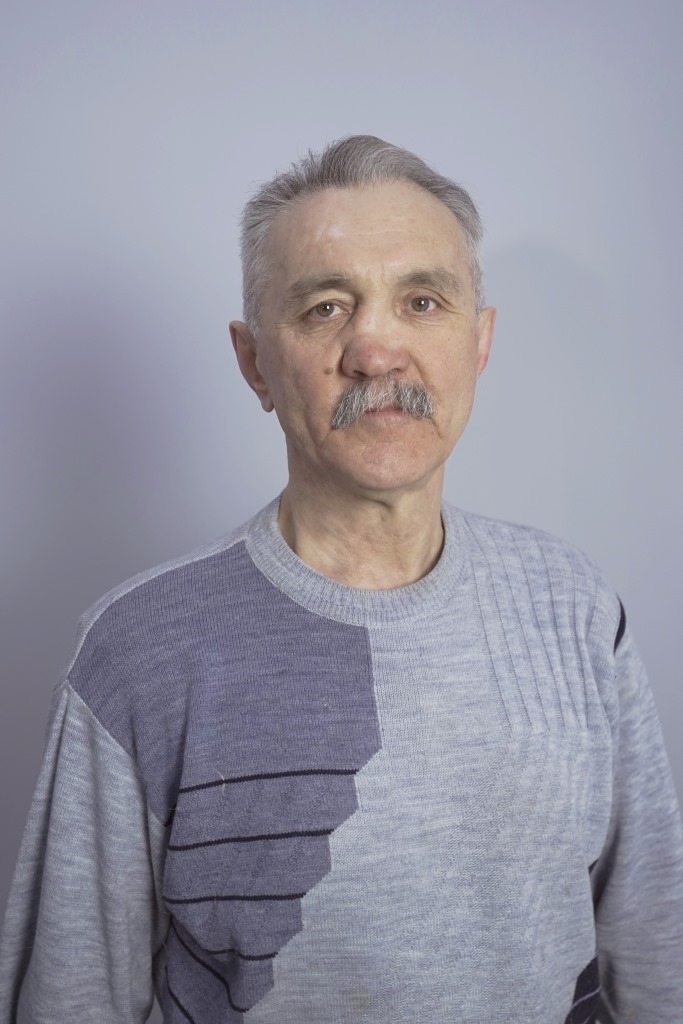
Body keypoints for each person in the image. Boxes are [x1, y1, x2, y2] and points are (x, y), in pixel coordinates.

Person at [1, 135, 682, 1024]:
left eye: (421, 302)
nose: (376, 350)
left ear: (478, 341)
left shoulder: (575, 609)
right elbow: (71, 1000)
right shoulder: (136, 653)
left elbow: (656, 959)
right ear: (254, 362)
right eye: (325, 308)